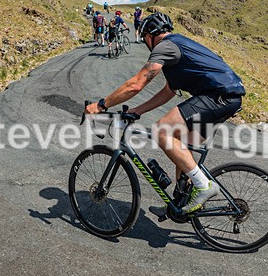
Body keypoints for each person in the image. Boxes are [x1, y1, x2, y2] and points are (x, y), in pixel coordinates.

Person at [85, 12, 245, 214]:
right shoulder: (179, 48)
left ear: (150, 36)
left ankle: (204, 186)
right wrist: (137, 110)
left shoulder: (166, 46)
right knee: (183, 146)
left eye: (145, 39)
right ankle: (180, 203)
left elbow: (136, 84)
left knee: (161, 130)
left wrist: (102, 105)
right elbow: (168, 91)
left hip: (218, 95)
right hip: (228, 97)